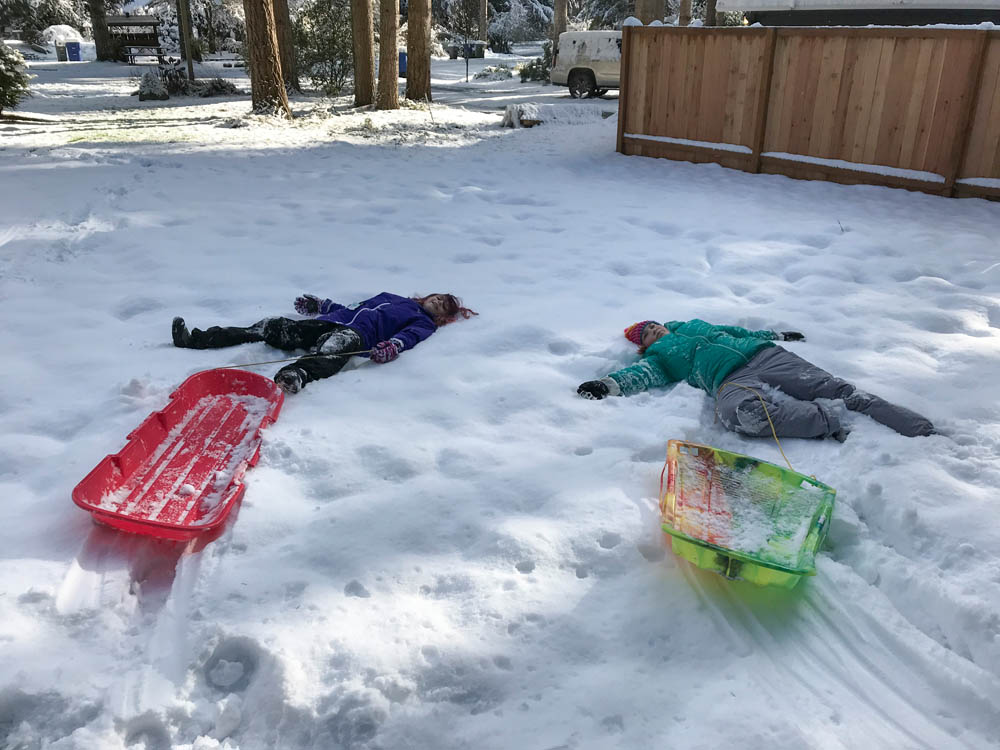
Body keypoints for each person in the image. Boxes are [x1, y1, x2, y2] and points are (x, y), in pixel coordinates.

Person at [577, 319, 934, 441]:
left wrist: (777, 334)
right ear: (646, 346)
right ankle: (826, 420)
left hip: (767, 355)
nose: (654, 332)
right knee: (738, 415)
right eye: (648, 335)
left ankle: (918, 429)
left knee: (841, 390)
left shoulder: (695, 324)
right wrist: (608, 385)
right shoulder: (659, 358)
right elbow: (641, 375)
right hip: (729, 379)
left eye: (654, 326)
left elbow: (739, 330)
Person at [172, 292, 477, 394]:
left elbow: (408, 337)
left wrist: (393, 346)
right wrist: (322, 305)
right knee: (273, 326)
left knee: (333, 352)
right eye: (436, 298)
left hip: (358, 336)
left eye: (440, 306)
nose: (435, 303)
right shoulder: (393, 298)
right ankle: (198, 339)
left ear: (441, 317)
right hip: (334, 322)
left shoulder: (422, 323)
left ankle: (297, 374)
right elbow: (355, 307)